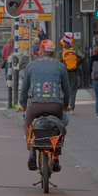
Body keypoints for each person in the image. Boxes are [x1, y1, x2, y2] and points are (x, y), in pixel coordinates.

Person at [18, 39, 71, 172]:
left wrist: (23, 104)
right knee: (61, 124)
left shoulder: (31, 65)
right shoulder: (60, 66)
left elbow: (24, 89)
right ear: (53, 53)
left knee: (27, 121)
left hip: (36, 106)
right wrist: (65, 105)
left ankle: (31, 151)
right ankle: (56, 159)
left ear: (40, 51)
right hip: (55, 106)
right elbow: (67, 89)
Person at [57, 32, 84, 115]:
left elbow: (57, 62)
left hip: (65, 74)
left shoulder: (61, 52)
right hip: (74, 73)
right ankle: (71, 108)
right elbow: (83, 56)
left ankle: (65, 106)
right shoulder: (75, 51)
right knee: (73, 91)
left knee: (64, 90)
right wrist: (77, 64)